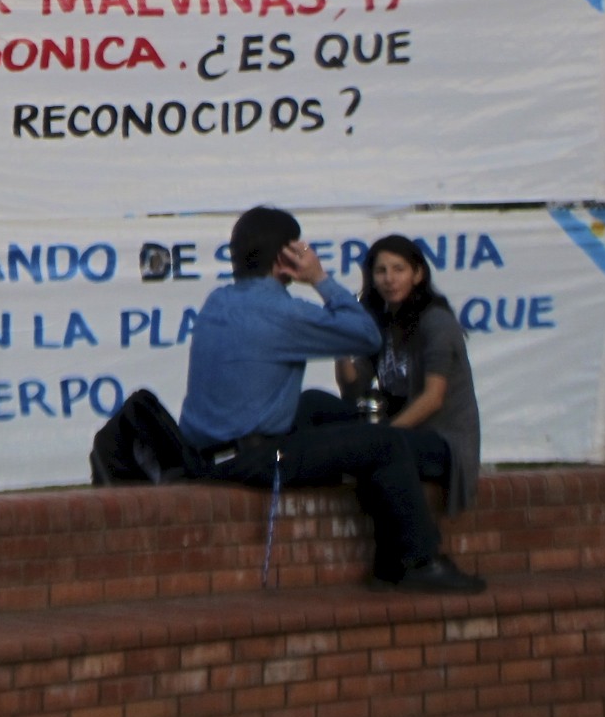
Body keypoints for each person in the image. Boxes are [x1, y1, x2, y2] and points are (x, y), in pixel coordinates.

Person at [178, 206, 484, 593]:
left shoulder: (216, 302)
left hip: (211, 455)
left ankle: (389, 524)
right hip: (261, 460)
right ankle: (416, 561)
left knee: (316, 405)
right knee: (383, 442)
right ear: (285, 259)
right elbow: (366, 334)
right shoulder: (284, 312)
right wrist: (319, 277)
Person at [336, 234, 482, 516]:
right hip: (401, 436)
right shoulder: (380, 324)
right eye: (381, 271)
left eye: (398, 269)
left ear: (417, 274)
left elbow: (433, 398)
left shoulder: (436, 322)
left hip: (443, 442)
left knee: (375, 453)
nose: (389, 279)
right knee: (317, 405)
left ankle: (421, 553)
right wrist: (341, 346)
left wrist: (384, 436)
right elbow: (353, 391)